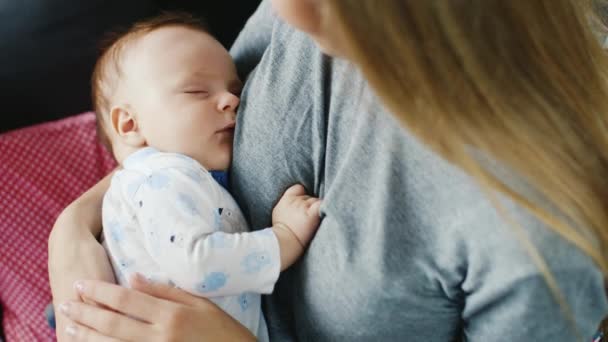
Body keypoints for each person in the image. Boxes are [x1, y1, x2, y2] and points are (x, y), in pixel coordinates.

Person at [48, 0, 608, 341]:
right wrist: (72, 227)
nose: (285, 12)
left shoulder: (538, 246)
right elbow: (171, 130)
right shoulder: (305, 24)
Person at [52, 12, 322, 341]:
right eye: (196, 91)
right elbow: (198, 265)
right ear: (129, 125)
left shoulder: (159, 180)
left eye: (234, 89)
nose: (231, 100)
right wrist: (285, 237)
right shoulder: (162, 177)